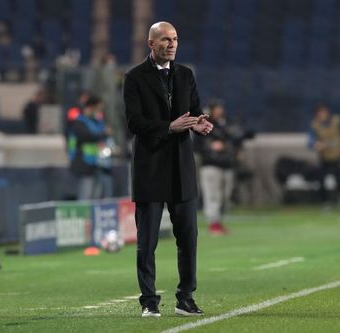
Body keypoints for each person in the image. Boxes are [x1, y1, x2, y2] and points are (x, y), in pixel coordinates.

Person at [123, 21, 213, 318]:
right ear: (151, 44)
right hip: (150, 168)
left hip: (181, 169)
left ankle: (185, 298)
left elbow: (195, 111)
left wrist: (201, 124)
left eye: (175, 39)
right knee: (146, 242)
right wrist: (168, 127)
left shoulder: (186, 75)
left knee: (188, 239)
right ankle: (149, 301)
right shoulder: (134, 78)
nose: (172, 44)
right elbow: (134, 123)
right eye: (165, 39)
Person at [194, 102, 237, 235]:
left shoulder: (225, 125)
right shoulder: (204, 125)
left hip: (226, 164)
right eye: (217, 108)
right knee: (212, 195)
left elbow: (235, 141)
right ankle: (213, 223)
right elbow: (196, 146)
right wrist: (210, 147)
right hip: (210, 165)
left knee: (225, 196)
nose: (220, 111)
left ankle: (218, 222)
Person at [308, 104, 340, 207]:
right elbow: (310, 140)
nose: (322, 115)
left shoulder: (337, 121)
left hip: (337, 155)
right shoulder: (315, 125)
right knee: (321, 180)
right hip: (324, 157)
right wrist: (315, 144)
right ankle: (325, 201)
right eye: (319, 113)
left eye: (323, 112)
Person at [68, 96, 111, 200]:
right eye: (97, 109)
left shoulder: (95, 122)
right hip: (83, 163)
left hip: (96, 163)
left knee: (96, 193)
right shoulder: (79, 123)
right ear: (90, 107)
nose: (99, 112)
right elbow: (87, 136)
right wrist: (103, 134)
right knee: (85, 194)